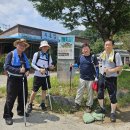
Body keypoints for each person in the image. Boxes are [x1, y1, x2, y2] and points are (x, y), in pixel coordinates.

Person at [3, 39, 30, 125]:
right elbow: (7, 66)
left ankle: (21, 111)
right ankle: (7, 115)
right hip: (13, 79)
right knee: (10, 98)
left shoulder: (23, 55)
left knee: (23, 96)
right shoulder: (10, 54)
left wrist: (27, 71)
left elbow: (27, 66)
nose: (22, 46)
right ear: (16, 45)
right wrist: (19, 70)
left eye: (24, 46)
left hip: (22, 79)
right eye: (20, 45)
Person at [95, 39, 123, 122]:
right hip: (102, 77)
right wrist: (100, 72)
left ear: (112, 46)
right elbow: (100, 64)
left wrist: (110, 70)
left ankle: (113, 113)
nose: (107, 46)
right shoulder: (102, 54)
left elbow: (120, 67)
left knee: (112, 95)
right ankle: (102, 108)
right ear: (104, 46)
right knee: (100, 93)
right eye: (106, 44)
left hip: (112, 78)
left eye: (109, 44)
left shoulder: (116, 54)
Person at [27, 41, 54, 113]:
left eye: (47, 46)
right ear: (41, 47)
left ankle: (42, 103)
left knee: (44, 90)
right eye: (44, 46)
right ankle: (30, 104)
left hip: (46, 75)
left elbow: (50, 64)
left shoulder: (48, 55)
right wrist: (39, 69)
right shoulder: (37, 54)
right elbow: (32, 64)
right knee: (34, 90)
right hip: (38, 75)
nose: (45, 48)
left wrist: (51, 66)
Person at [71, 43, 99, 113]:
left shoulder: (93, 57)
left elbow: (97, 67)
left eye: (86, 48)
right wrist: (73, 65)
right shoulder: (80, 57)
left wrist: (97, 77)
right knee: (79, 92)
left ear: (89, 49)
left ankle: (89, 106)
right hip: (82, 78)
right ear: (82, 50)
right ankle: (77, 104)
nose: (85, 50)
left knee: (90, 93)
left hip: (91, 78)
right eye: (84, 49)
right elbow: (78, 64)